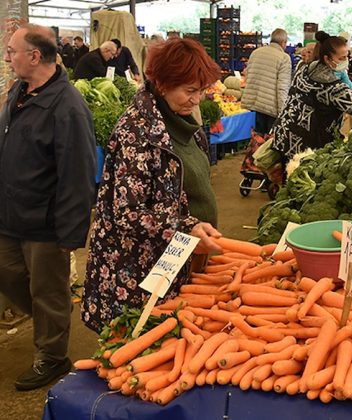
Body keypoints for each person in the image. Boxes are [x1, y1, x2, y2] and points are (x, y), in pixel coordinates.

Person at [82, 38, 223, 333]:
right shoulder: (136, 132)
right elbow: (128, 212)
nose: (197, 99)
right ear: (162, 84)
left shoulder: (186, 125)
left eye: (200, 91)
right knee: (138, 345)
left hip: (182, 259)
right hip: (139, 270)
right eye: (189, 91)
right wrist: (188, 226)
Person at [0, 23, 96, 390]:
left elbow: (78, 171)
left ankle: (53, 357)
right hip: (11, 215)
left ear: (34, 56)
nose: (8, 57)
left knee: (48, 289)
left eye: (12, 51)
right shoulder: (20, 92)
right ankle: (51, 317)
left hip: (44, 221)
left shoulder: (67, 105)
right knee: (9, 274)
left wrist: (71, 231)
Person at [272, 32, 352, 159]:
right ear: (327, 59)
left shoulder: (305, 69)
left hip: (283, 133)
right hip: (303, 145)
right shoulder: (330, 86)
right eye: (341, 58)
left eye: (347, 57)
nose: (346, 61)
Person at [240, 28, 292, 135]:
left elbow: (247, 76)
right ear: (283, 42)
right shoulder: (284, 58)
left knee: (256, 140)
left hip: (254, 105)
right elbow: (282, 87)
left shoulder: (255, 53)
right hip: (270, 109)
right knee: (268, 143)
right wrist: (283, 112)